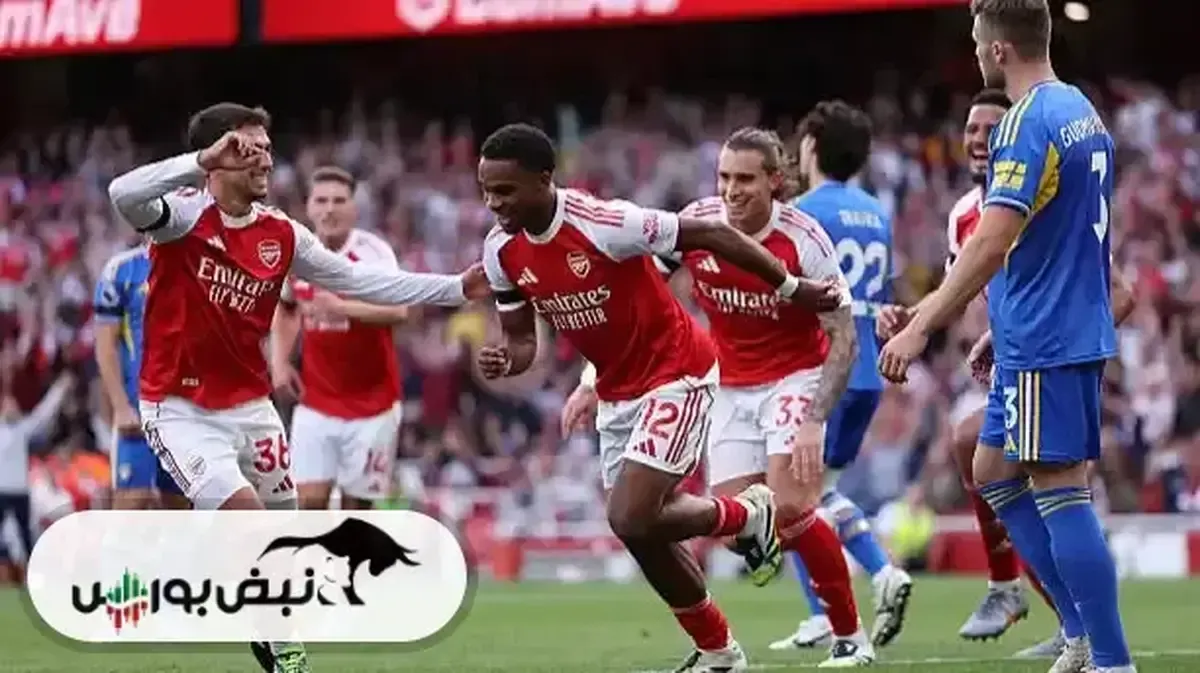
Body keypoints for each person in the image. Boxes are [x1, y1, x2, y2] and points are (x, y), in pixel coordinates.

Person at [107, 102, 488, 673]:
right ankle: (275, 639)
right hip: (181, 410)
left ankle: (262, 621)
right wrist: (198, 161)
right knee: (247, 519)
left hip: (252, 409)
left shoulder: (281, 233)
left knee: (288, 532)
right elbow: (122, 194)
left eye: (266, 147)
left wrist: (455, 287)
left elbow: (361, 280)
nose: (265, 159)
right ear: (218, 158)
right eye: (248, 149)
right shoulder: (182, 217)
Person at [476, 122, 841, 672]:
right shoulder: (500, 251)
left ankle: (746, 514)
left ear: (544, 179)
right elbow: (523, 340)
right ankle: (720, 651)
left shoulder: (605, 223)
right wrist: (509, 358)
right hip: (617, 392)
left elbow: (710, 233)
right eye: (486, 191)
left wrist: (791, 287)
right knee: (641, 532)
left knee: (629, 515)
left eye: (505, 190)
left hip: (678, 372)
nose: (493, 203)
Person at [878, 2, 1134, 671]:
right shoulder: (1081, 110)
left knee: (1061, 488)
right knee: (990, 469)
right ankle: (1078, 632)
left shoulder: (1025, 122)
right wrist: (1001, 326)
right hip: (1039, 327)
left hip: (1049, 334)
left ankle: (1111, 659)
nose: (973, 52)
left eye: (975, 43)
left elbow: (992, 242)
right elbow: (1066, 237)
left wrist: (922, 325)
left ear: (997, 51)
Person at [767, 101, 913, 654]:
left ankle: (876, 574)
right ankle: (827, 613)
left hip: (822, 369)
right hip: (867, 369)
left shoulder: (801, 213)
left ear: (810, 147)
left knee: (793, 496)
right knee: (815, 491)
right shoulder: (876, 212)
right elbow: (883, 294)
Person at [936, 89, 1064, 656]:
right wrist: (914, 320)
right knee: (979, 455)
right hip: (1014, 366)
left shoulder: (1046, 200)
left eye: (992, 129)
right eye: (972, 129)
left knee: (1050, 491)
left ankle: (1074, 626)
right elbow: (960, 291)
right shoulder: (963, 215)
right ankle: (1059, 618)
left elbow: (1117, 292)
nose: (979, 140)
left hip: (1058, 361)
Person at [271, 166, 407, 510]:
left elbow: (398, 311)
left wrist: (342, 308)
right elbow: (286, 307)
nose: (330, 209)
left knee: (355, 512)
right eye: (321, 201)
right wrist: (279, 363)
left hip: (373, 408)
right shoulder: (297, 255)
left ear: (354, 209)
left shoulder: (374, 254)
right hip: (316, 403)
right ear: (308, 207)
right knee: (307, 506)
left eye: (339, 201)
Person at [93, 245, 190, 510]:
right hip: (138, 413)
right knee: (132, 503)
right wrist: (121, 407)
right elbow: (105, 346)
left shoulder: (203, 267)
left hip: (185, 414)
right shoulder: (121, 270)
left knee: (180, 511)